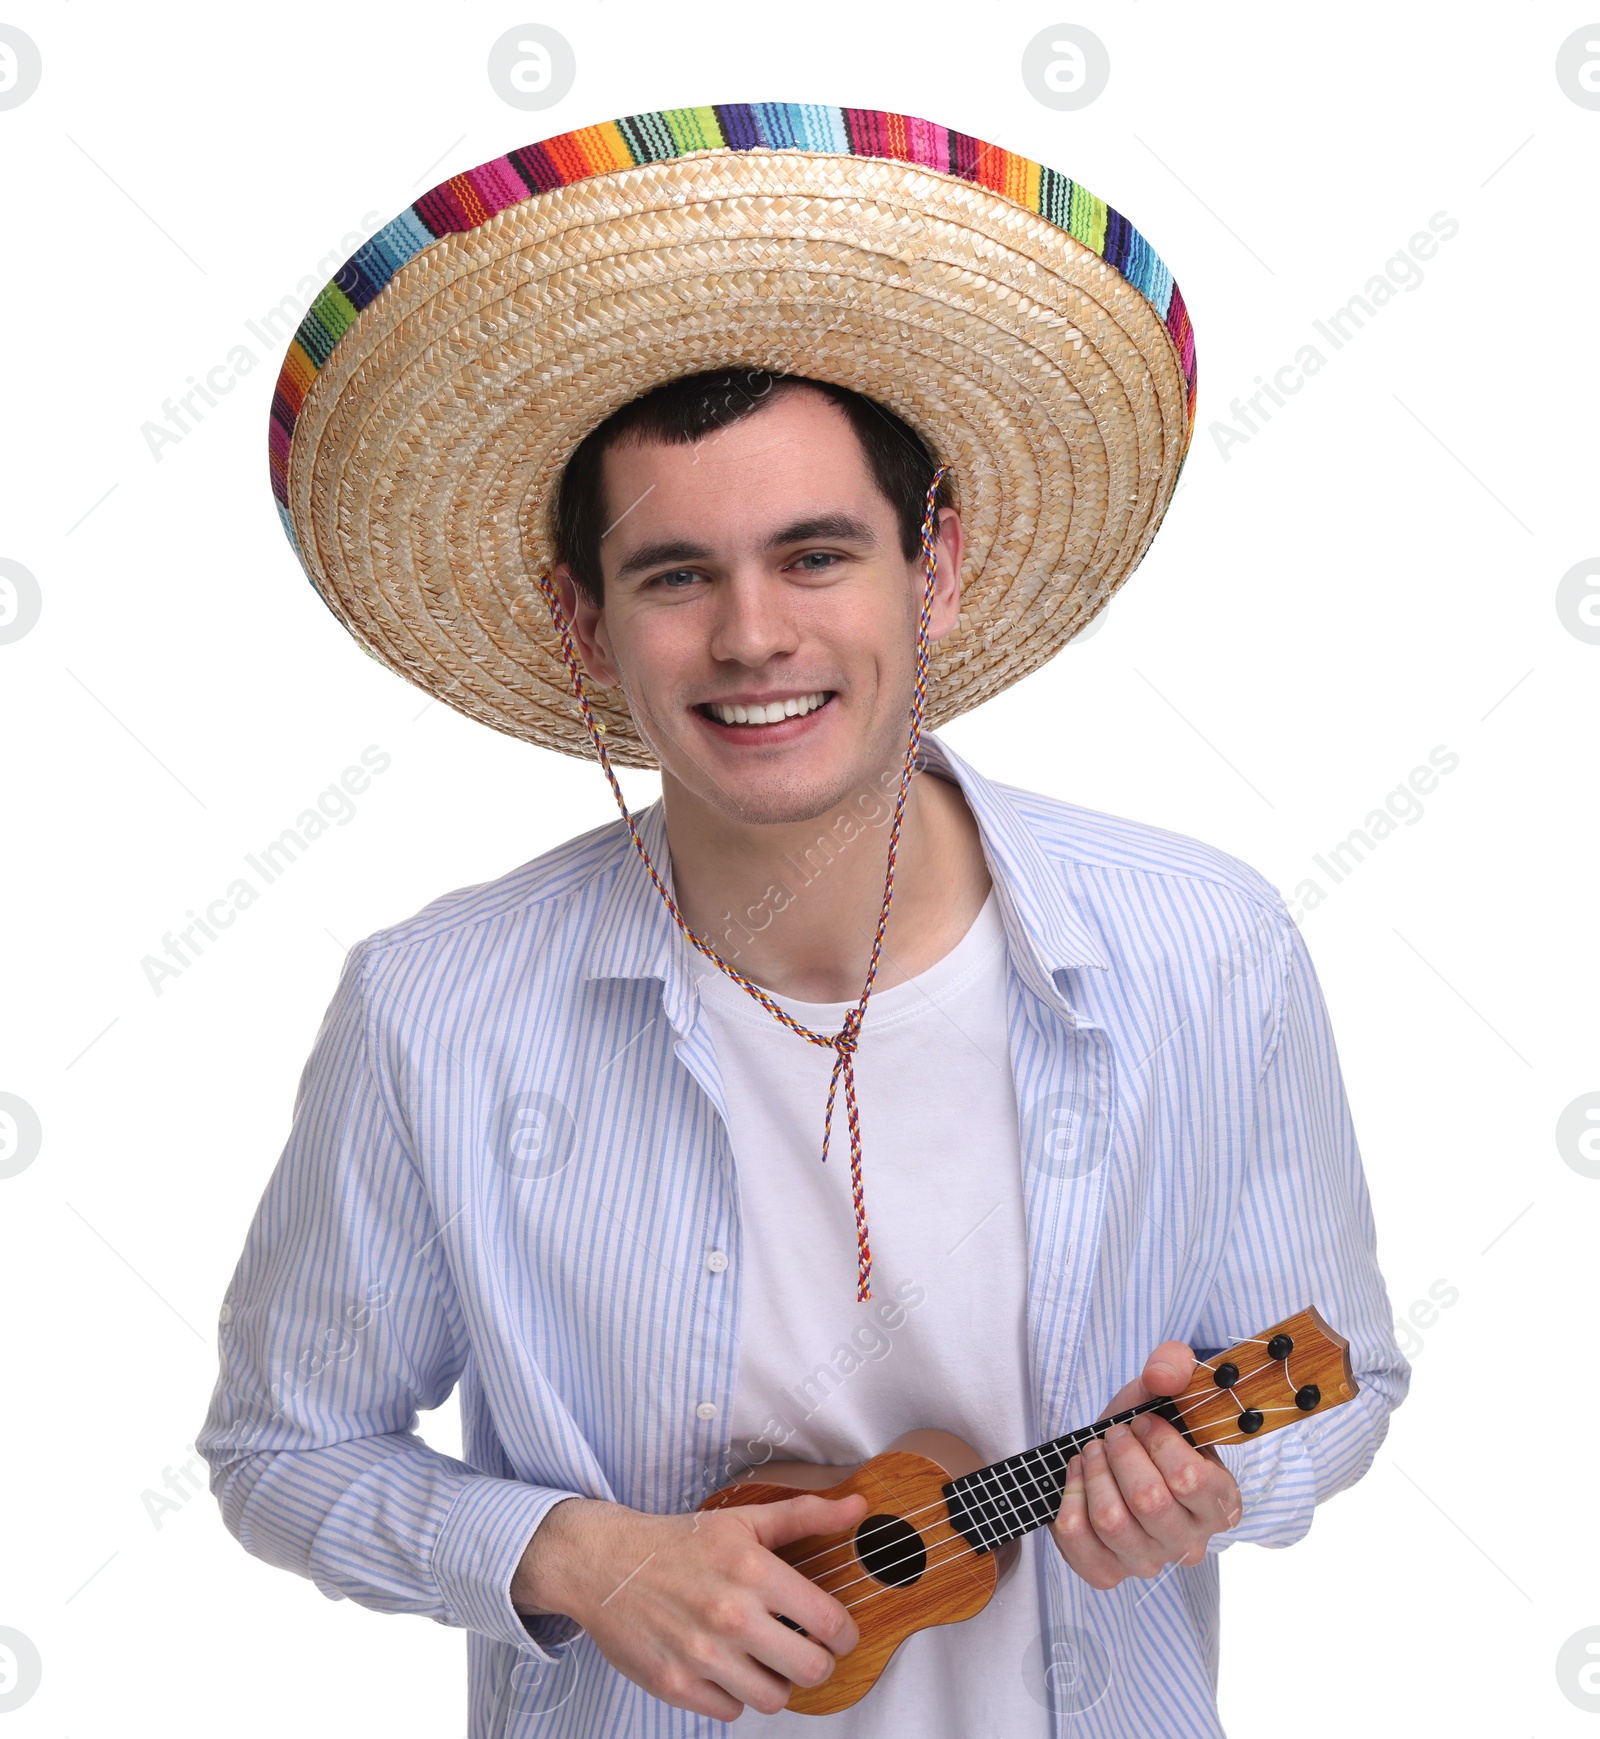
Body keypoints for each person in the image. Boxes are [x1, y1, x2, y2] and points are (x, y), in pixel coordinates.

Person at [200, 102, 1409, 1738]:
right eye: (676, 575)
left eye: (818, 554)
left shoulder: (1206, 948)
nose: (754, 636)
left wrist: (1224, 1485)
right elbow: (282, 1450)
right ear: (588, 622)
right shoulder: (439, 1009)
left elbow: (1344, 1387)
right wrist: (570, 1555)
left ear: (939, 568)